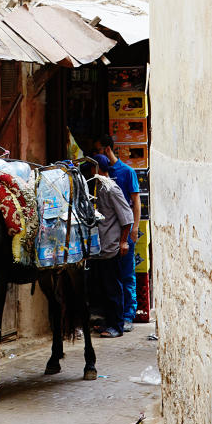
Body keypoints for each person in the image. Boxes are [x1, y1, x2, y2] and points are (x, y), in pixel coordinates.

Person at [93, 134, 141, 331]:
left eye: (97, 149)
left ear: (106, 149)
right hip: (108, 239)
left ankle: (125, 318)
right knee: (110, 281)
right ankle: (113, 319)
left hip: (121, 235)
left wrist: (132, 231)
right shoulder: (100, 183)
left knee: (125, 276)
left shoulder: (125, 173)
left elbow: (132, 205)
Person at [81, 155, 133, 338]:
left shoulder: (112, 189)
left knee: (113, 289)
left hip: (110, 248)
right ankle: (106, 322)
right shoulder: (96, 188)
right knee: (101, 289)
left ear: (98, 169)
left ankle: (117, 326)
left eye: (91, 169)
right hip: (98, 249)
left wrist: (124, 241)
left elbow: (127, 218)